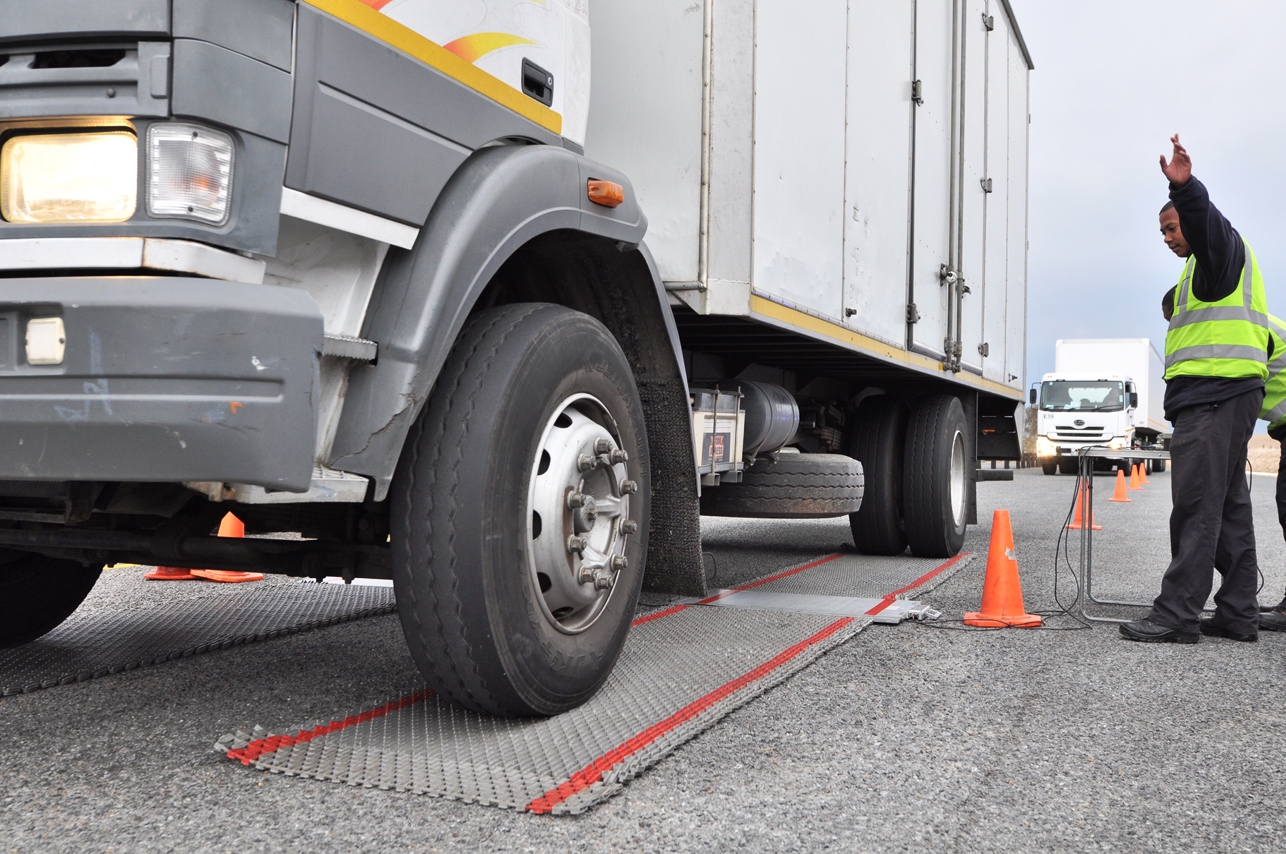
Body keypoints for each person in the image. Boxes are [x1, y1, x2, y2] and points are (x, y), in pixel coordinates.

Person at [1120, 135, 1269, 644]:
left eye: (1171, 227)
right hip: (1222, 393)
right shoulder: (1198, 272)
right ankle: (1237, 612)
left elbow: (1206, 228)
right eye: (1160, 231)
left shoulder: (1218, 250)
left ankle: (1178, 613)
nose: (1165, 237)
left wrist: (1184, 190)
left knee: (1195, 504)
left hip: (1215, 395)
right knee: (1227, 508)